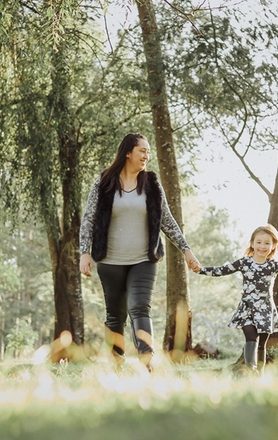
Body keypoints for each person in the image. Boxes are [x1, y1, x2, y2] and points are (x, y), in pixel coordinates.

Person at [80, 133, 200, 362]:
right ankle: (116, 364)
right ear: (128, 153)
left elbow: (167, 220)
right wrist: (84, 252)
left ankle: (147, 361)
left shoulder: (152, 184)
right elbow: (89, 219)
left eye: (148, 152)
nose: (146, 156)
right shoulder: (104, 182)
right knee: (115, 316)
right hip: (110, 261)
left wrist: (186, 250)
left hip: (143, 260)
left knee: (139, 307)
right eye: (142, 151)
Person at [194, 224, 278, 372]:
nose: (262, 246)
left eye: (267, 243)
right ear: (252, 243)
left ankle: (260, 374)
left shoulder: (272, 265)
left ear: (273, 246)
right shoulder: (244, 262)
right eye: (259, 242)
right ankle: (250, 369)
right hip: (247, 309)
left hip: (265, 310)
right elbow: (222, 270)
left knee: (262, 344)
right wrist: (200, 270)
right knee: (251, 337)